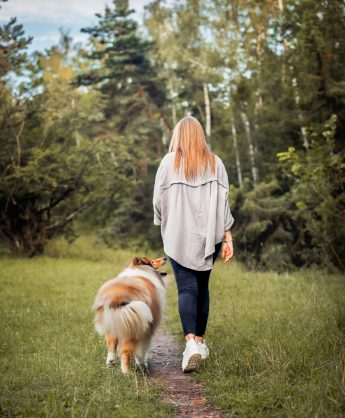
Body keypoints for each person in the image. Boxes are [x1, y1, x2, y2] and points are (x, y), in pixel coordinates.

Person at [152, 115, 235, 372]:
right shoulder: (215, 163)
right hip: (208, 236)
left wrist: (162, 221)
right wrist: (227, 237)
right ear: (200, 135)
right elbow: (224, 203)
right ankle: (199, 342)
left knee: (187, 288)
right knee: (202, 288)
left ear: (178, 135)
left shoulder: (168, 162)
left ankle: (191, 344)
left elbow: (158, 201)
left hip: (178, 235)